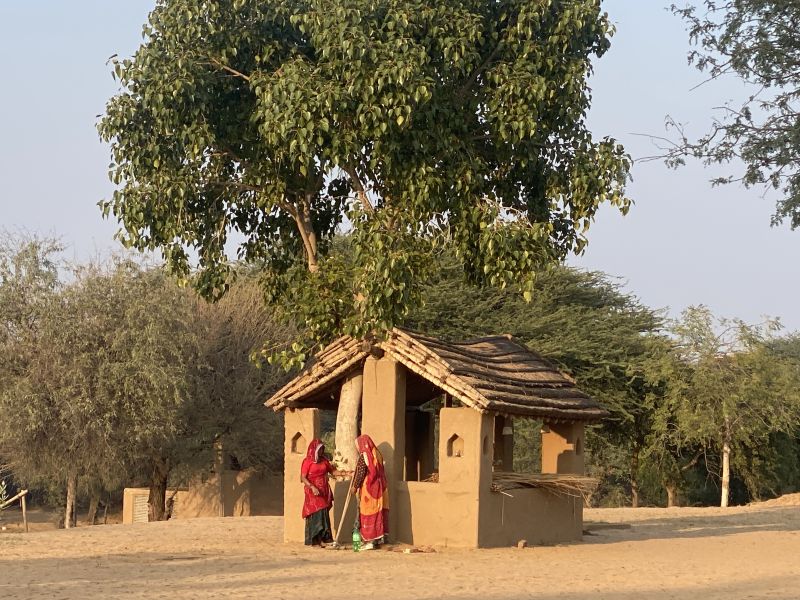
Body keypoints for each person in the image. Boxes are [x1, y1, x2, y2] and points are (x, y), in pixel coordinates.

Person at [300, 439, 345, 547]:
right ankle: (316, 539)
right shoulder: (307, 461)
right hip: (313, 491)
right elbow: (303, 477)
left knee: (323, 512)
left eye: (322, 449)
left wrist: (345, 473)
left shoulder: (324, 460)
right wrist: (312, 487)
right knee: (317, 512)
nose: (321, 451)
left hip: (323, 490)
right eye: (319, 449)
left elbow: (333, 471)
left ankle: (324, 538)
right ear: (314, 450)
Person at [351, 434, 388, 550]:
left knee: (366, 513)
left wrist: (355, 486)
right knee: (377, 513)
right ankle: (376, 541)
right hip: (379, 490)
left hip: (369, 490)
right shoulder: (377, 454)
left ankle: (369, 541)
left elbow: (361, 472)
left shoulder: (365, 456)